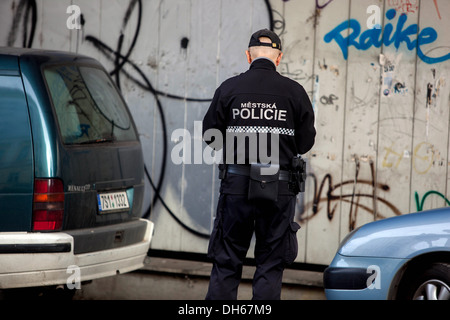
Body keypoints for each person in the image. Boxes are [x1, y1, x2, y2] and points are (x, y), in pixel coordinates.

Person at [202, 29, 316, 300]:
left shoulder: (229, 88)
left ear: (248, 55)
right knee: (270, 264)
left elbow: (210, 136)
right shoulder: (295, 92)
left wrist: (236, 147)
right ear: (279, 58)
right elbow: (304, 143)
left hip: (236, 186)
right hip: (279, 188)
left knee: (227, 261)